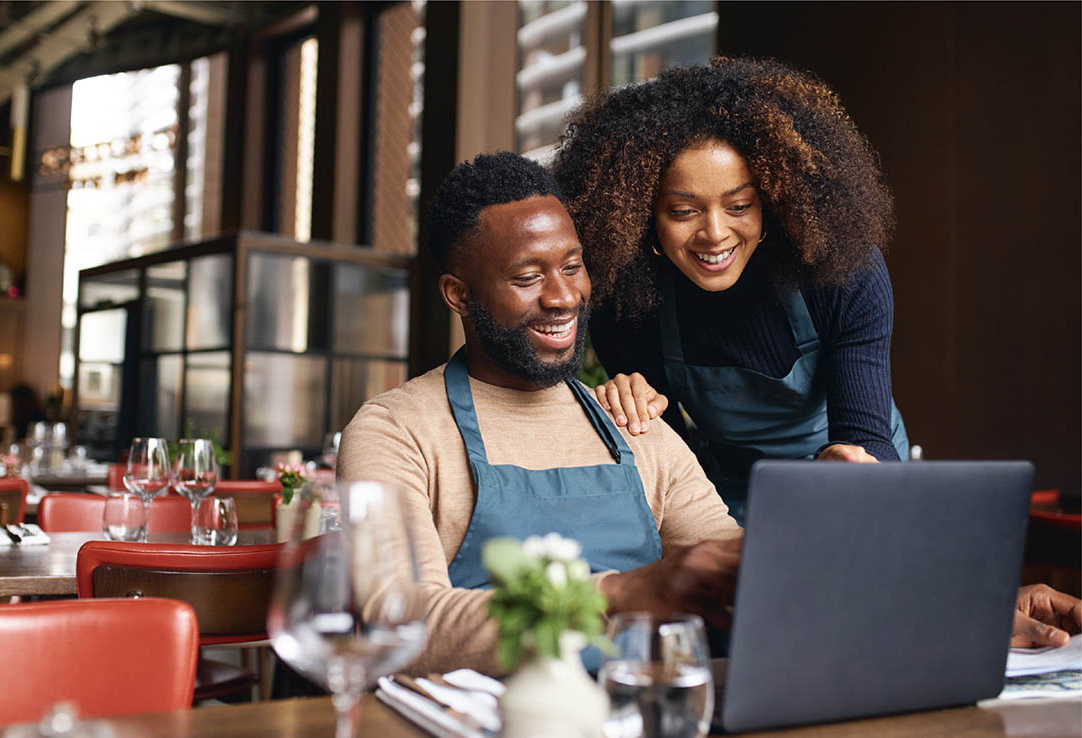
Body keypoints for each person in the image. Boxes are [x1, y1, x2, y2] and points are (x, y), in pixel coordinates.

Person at [337, 153, 1080, 676]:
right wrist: (629, 593)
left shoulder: (633, 424)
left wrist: (964, 607)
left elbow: (761, 580)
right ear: (458, 295)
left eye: (572, 266)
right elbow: (400, 621)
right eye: (528, 278)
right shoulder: (397, 429)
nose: (563, 298)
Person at [553, 58, 908, 521]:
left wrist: (851, 464)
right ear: (642, 217)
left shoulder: (840, 270)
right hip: (729, 493)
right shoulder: (626, 302)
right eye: (683, 211)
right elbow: (671, 465)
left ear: (773, 202)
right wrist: (632, 412)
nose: (715, 234)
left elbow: (866, 434)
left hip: (851, 481)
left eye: (740, 205)